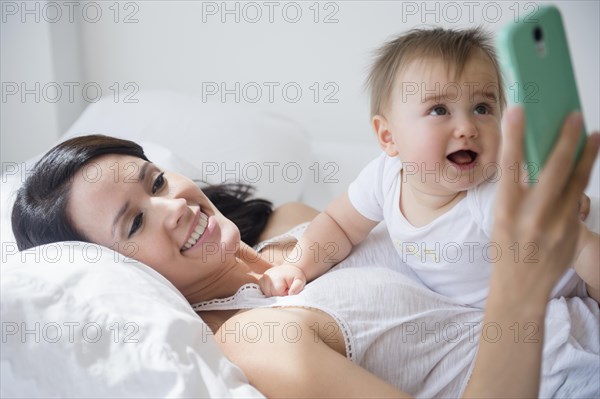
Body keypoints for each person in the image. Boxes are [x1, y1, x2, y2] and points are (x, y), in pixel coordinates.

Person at [11, 104, 600, 397]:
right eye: (136, 221)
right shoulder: (255, 339)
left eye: (157, 180)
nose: (176, 205)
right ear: (116, 271)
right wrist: (524, 288)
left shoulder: (294, 224)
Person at [259, 27, 600, 307]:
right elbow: (338, 224)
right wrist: (297, 264)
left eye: (482, 107)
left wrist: (561, 210)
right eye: (439, 110)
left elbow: (565, 236)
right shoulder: (385, 176)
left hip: (574, 281)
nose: (467, 126)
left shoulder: (494, 195)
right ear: (388, 136)